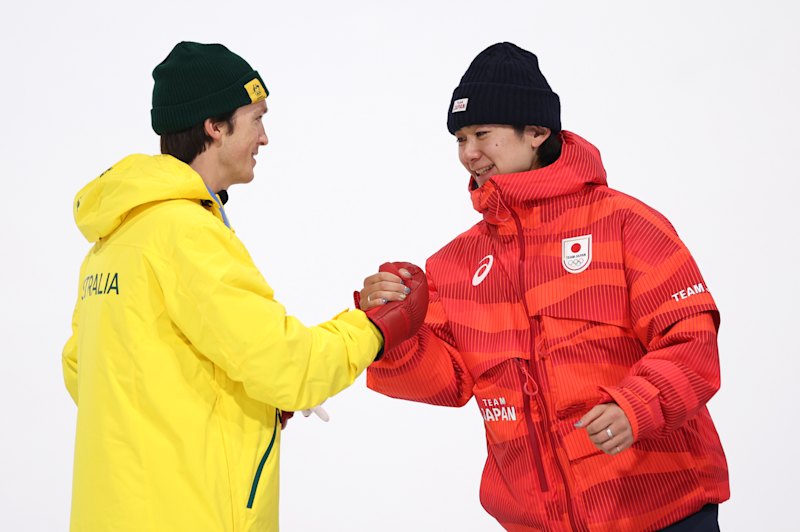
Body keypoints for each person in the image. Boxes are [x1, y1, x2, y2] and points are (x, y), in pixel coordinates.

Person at [359, 42, 728, 531]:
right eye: (460, 138)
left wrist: (636, 406)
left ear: (536, 132)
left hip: (661, 512)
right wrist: (392, 334)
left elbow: (691, 342)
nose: (469, 153)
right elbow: (447, 381)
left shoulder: (625, 224)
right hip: (536, 521)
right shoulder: (454, 264)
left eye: (482, 134)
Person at [61, 41, 426, 532]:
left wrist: (238, 402)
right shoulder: (185, 233)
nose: (265, 137)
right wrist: (374, 328)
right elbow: (287, 365)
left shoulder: (116, 237)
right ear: (214, 126)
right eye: (256, 118)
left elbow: (85, 373)